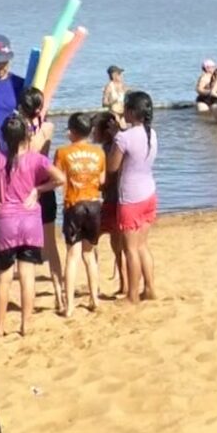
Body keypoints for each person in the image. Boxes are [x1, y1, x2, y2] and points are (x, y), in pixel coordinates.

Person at [0, 115, 64, 336]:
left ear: (3, 136)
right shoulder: (36, 159)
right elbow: (60, 179)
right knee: (27, 276)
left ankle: (0, 328)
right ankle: (25, 325)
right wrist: (38, 190)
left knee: (4, 277)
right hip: (30, 221)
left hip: (5, 223)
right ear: (27, 136)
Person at [54, 112, 106, 317]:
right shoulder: (99, 153)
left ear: (72, 132)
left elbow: (58, 178)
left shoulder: (62, 152)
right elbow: (101, 179)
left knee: (72, 256)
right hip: (94, 205)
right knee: (89, 255)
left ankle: (70, 306)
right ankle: (95, 299)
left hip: (73, 204)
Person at [109, 91, 158, 304]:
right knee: (142, 246)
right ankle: (149, 288)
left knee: (130, 249)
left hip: (131, 197)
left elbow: (112, 166)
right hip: (149, 192)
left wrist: (115, 139)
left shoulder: (123, 138)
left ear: (131, 112)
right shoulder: (152, 133)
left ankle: (132, 295)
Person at [18, 87, 64, 313]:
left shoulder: (23, 131)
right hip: (44, 185)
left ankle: (31, 297)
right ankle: (58, 293)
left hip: (26, 188)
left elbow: (24, 150)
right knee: (50, 245)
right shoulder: (47, 127)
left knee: (27, 247)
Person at [92, 112, 127, 297]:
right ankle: (123, 282)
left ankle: (97, 282)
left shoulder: (106, 150)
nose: (92, 135)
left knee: (92, 239)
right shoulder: (118, 145)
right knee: (117, 243)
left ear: (104, 132)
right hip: (118, 199)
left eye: (94, 131)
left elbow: (107, 178)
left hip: (111, 201)